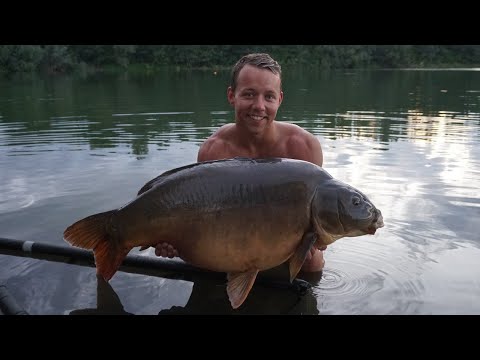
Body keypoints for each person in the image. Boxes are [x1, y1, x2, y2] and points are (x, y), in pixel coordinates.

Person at [154, 52, 326, 273]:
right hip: (232, 239)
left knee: (312, 263)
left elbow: (317, 215)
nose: (259, 106)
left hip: (285, 243)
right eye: (249, 94)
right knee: (203, 260)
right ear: (231, 95)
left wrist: (318, 238)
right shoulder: (213, 150)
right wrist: (176, 241)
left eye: (269, 97)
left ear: (280, 100)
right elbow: (201, 216)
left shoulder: (303, 147)